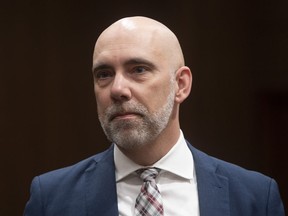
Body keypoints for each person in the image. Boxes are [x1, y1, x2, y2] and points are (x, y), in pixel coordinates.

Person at [24, 16, 285, 216]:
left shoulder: (254, 197)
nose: (117, 90)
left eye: (138, 69)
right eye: (104, 74)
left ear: (181, 85)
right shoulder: (51, 198)